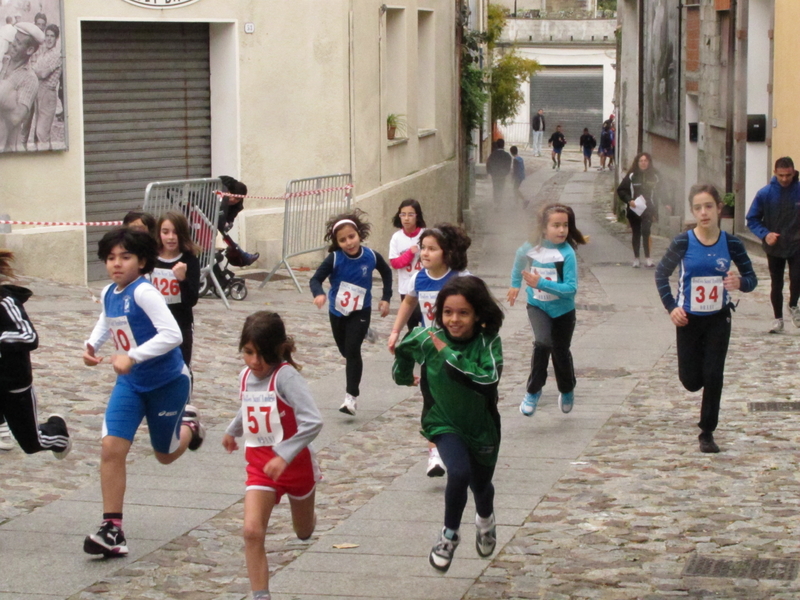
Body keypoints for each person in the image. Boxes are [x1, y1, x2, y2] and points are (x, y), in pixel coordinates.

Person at [82, 228, 205, 557]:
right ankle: (113, 529)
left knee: (164, 454)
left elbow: (173, 335)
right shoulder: (110, 291)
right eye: (111, 258)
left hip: (167, 383)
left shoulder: (144, 292)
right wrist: (92, 345)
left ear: (142, 261)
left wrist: (132, 356)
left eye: (125, 257)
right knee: (111, 447)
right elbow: (107, 322)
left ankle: (190, 428)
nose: (116, 264)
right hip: (131, 384)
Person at [392, 275, 504, 573]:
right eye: (447, 312)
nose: (454, 320)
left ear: (478, 314)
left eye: (463, 313)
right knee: (458, 472)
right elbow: (405, 349)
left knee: (481, 484)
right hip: (442, 421)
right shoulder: (426, 338)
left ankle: (486, 520)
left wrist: (448, 352)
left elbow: (487, 378)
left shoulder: (487, 343)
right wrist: (403, 375)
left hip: (482, 427)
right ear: (438, 314)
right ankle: (449, 535)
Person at [222, 311, 323, 600]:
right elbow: (250, 407)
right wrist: (233, 430)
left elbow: (313, 421)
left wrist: (285, 454)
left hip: (296, 466)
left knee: (303, 532)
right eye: (248, 352)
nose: (255, 362)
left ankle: (308, 516)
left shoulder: (286, 377)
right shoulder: (246, 376)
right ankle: (260, 595)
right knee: (252, 531)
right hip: (260, 466)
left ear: (278, 350)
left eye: (262, 355)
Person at [655, 184, 757, 453]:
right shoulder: (683, 242)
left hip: (718, 318)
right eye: (698, 208)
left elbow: (752, 279)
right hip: (688, 318)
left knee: (714, 374)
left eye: (709, 206)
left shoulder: (732, 242)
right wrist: (671, 308)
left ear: (719, 209)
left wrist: (739, 282)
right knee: (690, 381)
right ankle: (697, 381)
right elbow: (661, 274)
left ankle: (707, 431)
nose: (704, 212)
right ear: (692, 211)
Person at [387, 224, 472, 478]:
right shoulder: (419, 278)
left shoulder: (462, 279)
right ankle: (435, 452)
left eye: (432, 249)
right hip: (430, 353)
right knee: (431, 401)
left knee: (458, 399)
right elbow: (408, 302)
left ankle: (463, 440)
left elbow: (480, 309)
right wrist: (395, 331)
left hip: (457, 351)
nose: (424, 253)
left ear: (446, 253)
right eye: (423, 248)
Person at [310, 209, 392, 416]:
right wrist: (319, 293)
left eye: (352, 237)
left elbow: (387, 272)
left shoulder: (371, 256)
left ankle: (351, 398)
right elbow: (315, 279)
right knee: (345, 351)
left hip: (360, 310)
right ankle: (364, 332)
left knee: (353, 351)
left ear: (360, 235)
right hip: (337, 312)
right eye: (343, 239)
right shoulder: (335, 259)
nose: (349, 242)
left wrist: (386, 298)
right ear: (337, 243)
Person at [508, 204, 587, 417]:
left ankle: (567, 388)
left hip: (563, 311)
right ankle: (533, 391)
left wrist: (540, 283)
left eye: (565, 225)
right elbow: (518, 263)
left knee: (560, 352)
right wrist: (515, 284)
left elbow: (570, 290)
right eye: (556, 225)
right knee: (542, 343)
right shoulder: (530, 248)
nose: (561, 230)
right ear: (544, 228)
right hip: (538, 307)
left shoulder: (567, 254)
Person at [0, 249, 72, 457]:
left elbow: (29, 336)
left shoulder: (6, 303)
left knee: (33, 443)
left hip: (14, 384)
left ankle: (58, 431)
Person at [745, 157, 800, 334]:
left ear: (793, 172)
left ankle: (793, 305)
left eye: (788, 175)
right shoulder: (765, 194)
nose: (785, 179)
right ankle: (777, 319)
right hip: (775, 245)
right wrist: (765, 234)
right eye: (781, 175)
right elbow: (752, 219)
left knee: (797, 278)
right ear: (775, 173)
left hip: (797, 243)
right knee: (776, 283)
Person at [154, 211, 201, 366]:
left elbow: (192, 299)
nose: (171, 237)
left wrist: (183, 279)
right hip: (153, 324)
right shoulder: (150, 259)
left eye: (175, 232)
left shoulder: (189, 259)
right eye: (165, 232)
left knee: (181, 367)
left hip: (180, 323)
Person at [0, 22, 44, 152]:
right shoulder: (3, 61)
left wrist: (4, 94)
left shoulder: (30, 79)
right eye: (14, 39)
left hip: (4, 146)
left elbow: (15, 117)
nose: (13, 44)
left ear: (29, 50)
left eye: (18, 42)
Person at [617, 152, 663, 268]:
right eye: (641, 161)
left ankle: (648, 257)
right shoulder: (632, 176)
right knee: (636, 232)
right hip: (634, 208)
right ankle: (636, 258)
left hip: (649, 208)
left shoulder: (655, 175)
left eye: (645, 161)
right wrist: (629, 200)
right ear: (637, 163)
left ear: (649, 162)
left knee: (646, 231)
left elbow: (662, 190)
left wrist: (667, 203)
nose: (643, 163)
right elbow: (621, 190)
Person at [388, 198, 426, 333]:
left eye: (410, 215)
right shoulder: (396, 238)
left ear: (417, 216)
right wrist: (409, 253)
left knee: (427, 322)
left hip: (424, 285)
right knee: (412, 326)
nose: (406, 218)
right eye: (403, 214)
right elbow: (394, 263)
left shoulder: (425, 235)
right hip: (406, 287)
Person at [218, 175, 260, 266]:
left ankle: (242, 255)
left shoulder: (236, 206)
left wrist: (227, 223)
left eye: (237, 199)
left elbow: (230, 219)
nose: (232, 200)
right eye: (231, 195)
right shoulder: (219, 191)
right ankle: (243, 256)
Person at [33, 23, 60, 150]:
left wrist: (36, 71)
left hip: (48, 93)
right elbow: (35, 69)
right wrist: (37, 71)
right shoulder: (44, 53)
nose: (49, 39)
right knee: (39, 134)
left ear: (56, 38)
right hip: (39, 91)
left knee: (42, 132)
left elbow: (43, 73)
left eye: (52, 36)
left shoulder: (56, 55)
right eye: (47, 35)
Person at [486, 138, 512, 203]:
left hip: (494, 174)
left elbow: (488, 163)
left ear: (497, 145)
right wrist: (506, 173)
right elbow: (508, 166)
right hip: (502, 175)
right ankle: (499, 202)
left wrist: (489, 172)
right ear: (503, 145)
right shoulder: (507, 155)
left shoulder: (493, 154)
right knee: (501, 188)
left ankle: (496, 202)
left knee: (495, 188)